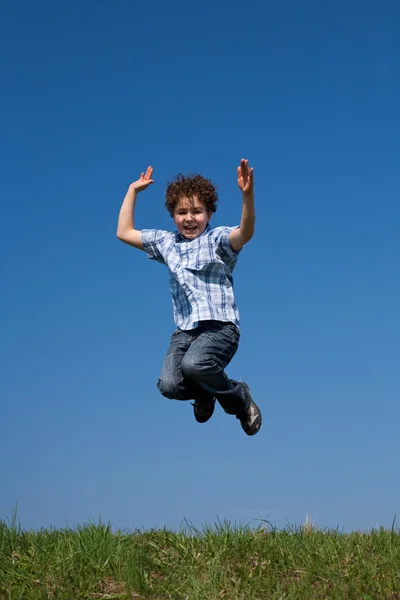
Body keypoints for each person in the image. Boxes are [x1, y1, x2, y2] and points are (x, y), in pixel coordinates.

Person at [116, 159, 262, 436]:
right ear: (173, 216)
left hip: (220, 327)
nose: (189, 218)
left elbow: (246, 231)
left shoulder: (218, 240)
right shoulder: (166, 243)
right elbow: (123, 232)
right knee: (169, 385)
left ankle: (239, 398)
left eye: (197, 211)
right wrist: (132, 191)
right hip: (184, 332)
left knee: (195, 365)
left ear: (208, 214)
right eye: (182, 212)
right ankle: (205, 394)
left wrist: (247, 196)